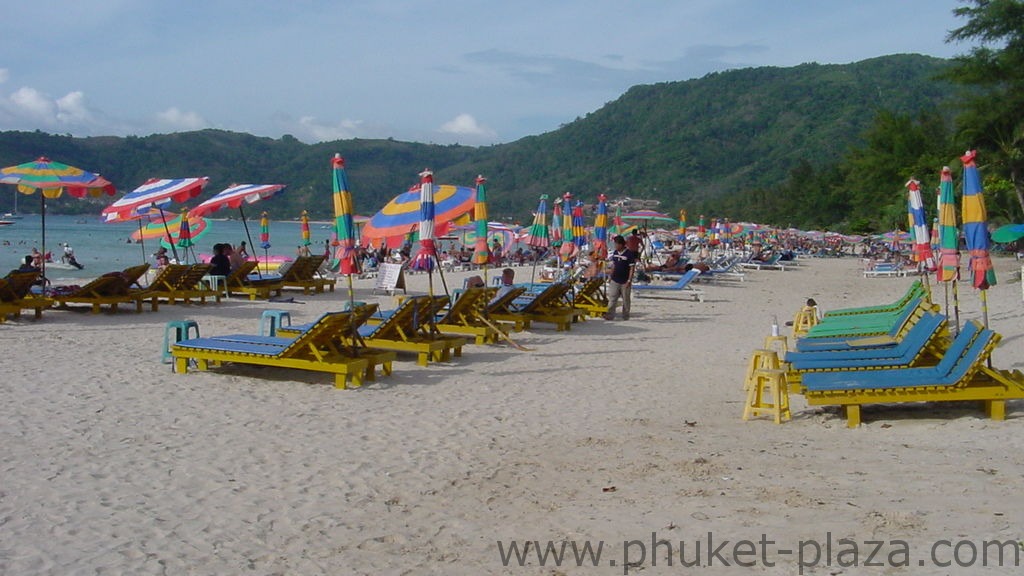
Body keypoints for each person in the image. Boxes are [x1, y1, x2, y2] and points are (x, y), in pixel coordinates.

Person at [605, 235, 637, 320]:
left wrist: (629, 280)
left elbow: (632, 268)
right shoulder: (615, 253)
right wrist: (610, 276)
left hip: (625, 280)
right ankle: (610, 315)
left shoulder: (629, 254)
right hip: (615, 279)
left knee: (626, 299)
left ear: (621, 244)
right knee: (612, 298)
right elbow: (614, 266)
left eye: (616, 244)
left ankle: (625, 315)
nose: (615, 246)